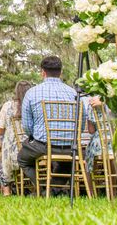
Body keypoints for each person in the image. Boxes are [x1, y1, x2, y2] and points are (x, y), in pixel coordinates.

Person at [17, 56, 78, 192]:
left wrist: (33, 137)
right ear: (60, 72)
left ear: (42, 72)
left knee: (22, 159)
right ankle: (54, 190)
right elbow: (81, 123)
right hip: (70, 146)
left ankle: (44, 188)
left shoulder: (32, 93)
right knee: (68, 162)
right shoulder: (73, 93)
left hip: (42, 146)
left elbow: (27, 126)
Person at [0, 80, 32, 195]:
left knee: (0, 159)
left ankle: (6, 190)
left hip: (11, 153)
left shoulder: (7, 106)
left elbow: (0, 130)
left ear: (16, 91)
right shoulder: (33, 104)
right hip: (30, 150)